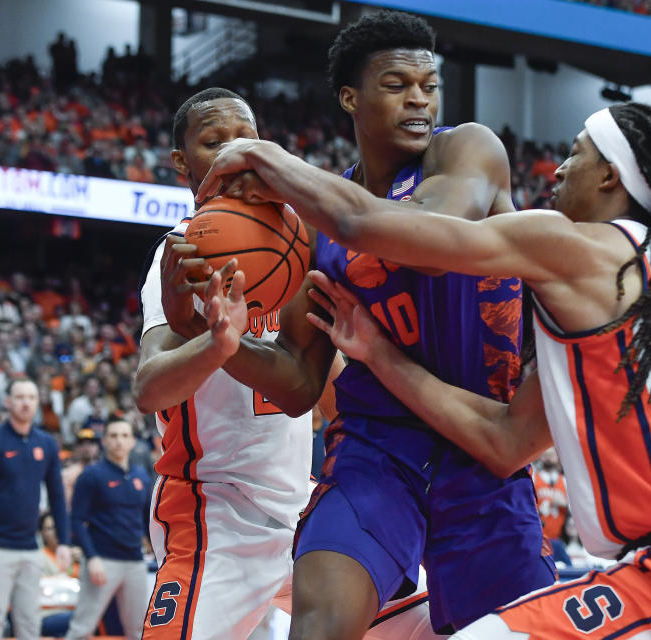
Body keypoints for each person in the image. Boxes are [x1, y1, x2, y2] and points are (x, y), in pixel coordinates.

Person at [199, 101, 651, 637]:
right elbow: (504, 441)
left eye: (576, 153)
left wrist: (263, 155)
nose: (557, 171)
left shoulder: (581, 246)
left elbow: (369, 228)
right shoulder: (638, 294)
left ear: (610, 176)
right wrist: (380, 354)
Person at [193, 12, 557, 638]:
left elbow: (419, 230)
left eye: (428, 83)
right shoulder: (323, 217)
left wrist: (268, 157)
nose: (419, 98)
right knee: (320, 620)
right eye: (396, 83)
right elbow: (300, 382)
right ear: (350, 97)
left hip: (481, 445)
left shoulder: (468, 149)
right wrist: (225, 341)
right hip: (375, 448)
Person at [134, 86, 338, 640]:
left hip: (304, 511)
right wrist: (216, 342)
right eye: (213, 141)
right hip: (215, 513)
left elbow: (312, 389)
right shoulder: (179, 254)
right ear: (184, 163)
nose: (232, 152)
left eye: (245, 138)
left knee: (434, 620)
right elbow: (150, 388)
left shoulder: (298, 242)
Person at [0, 377, 70, 640]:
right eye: (20, 397)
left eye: (31, 398)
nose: (26, 403)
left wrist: (65, 542)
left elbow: (57, 495)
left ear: (37, 402)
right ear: (8, 402)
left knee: (30, 622)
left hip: (30, 546)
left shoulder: (46, 443)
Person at [65, 418, 151, 640]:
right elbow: (76, 520)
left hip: (135, 561)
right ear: (104, 441)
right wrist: (91, 557)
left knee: (141, 630)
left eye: (124, 436)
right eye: (113, 436)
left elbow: (147, 519)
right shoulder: (92, 475)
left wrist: (157, 551)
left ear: (132, 441)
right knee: (83, 628)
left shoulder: (141, 475)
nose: (119, 441)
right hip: (102, 560)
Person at [532, 447, 568, 542]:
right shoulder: (533, 478)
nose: (548, 457)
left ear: (557, 457)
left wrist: (565, 504)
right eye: (545, 454)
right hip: (537, 536)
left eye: (551, 455)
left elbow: (576, 509)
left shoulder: (565, 481)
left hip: (559, 537)